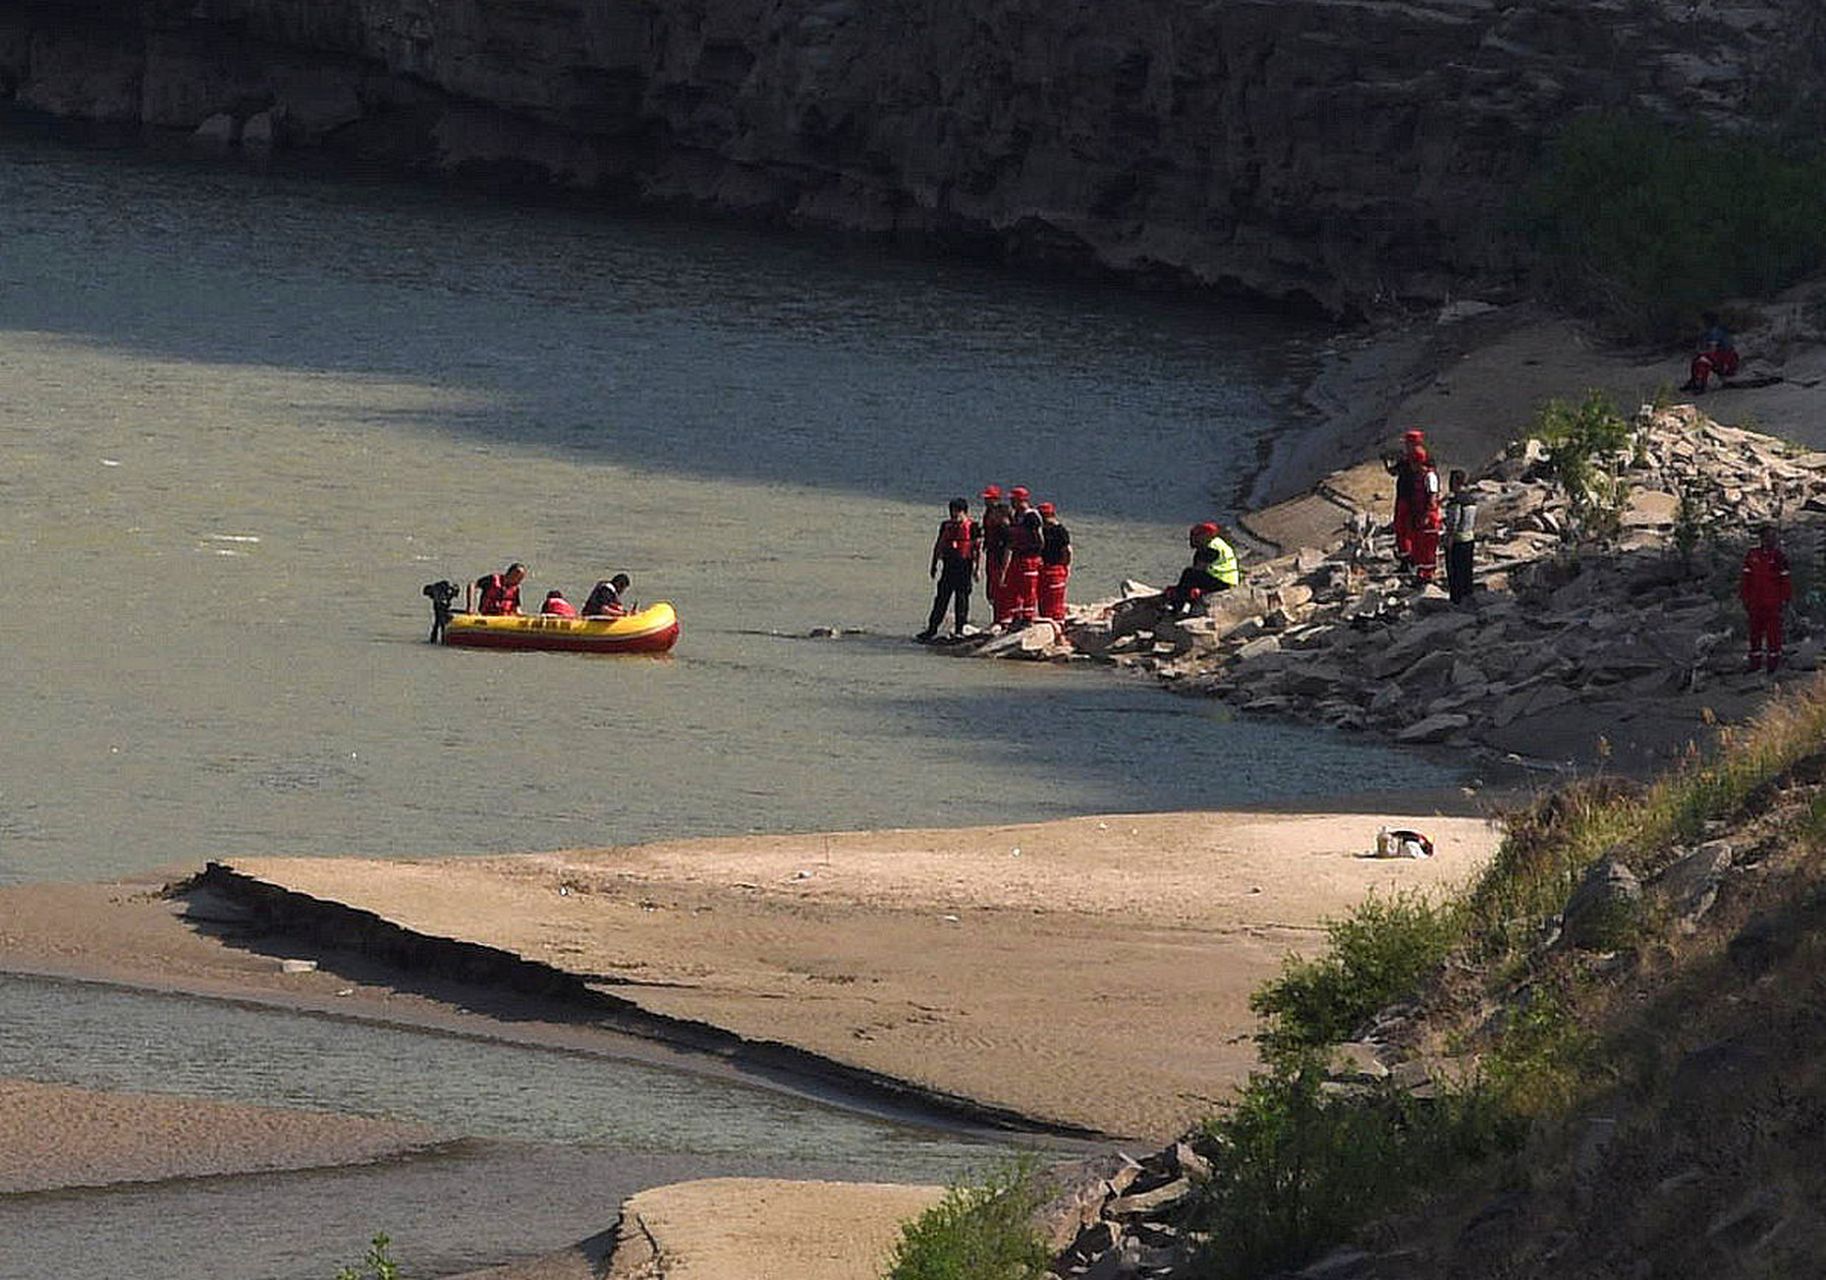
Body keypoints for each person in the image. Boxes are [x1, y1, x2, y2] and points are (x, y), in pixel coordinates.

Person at [918, 498, 977, 640]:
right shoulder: (946, 526)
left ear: (964, 512)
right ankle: (932, 629)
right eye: (952, 511)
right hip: (948, 566)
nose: (953, 515)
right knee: (941, 598)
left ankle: (960, 629)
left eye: (956, 512)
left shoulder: (973, 526)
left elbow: (976, 549)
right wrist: (933, 565)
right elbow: (939, 545)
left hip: (964, 566)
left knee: (961, 599)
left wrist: (976, 569)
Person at [1383, 430, 1441, 575]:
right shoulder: (1414, 459)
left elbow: (1432, 494)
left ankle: (1418, 567)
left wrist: (1428, 512)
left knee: (1414, 535)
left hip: (1413, 502)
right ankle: (1416, 565)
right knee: (1414, 535)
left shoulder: (1418, 462)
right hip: (1414, 502)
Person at [1741, 524, 1791, 671]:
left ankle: (1773, 665)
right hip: (1755, 601)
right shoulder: (1752, 555)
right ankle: (1754, 664)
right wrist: (1745, 598)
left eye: (1774, 537)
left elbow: (1785, 581)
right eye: (1768, 537)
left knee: (1773, 635)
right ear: (1761, 538)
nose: (1772, 540)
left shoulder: (1779, 557)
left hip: (1773, 602)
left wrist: (1785, 599)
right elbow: (1746, 579)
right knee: (1754, 633)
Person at [1162, 521, 1239, 614]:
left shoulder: (1212, 548)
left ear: (1204, 536)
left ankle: (1176, 606)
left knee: (1189, 574)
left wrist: (1180, 590)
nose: (1192, 539)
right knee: (1190, 577)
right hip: (1222, 579)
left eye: (1195, 536)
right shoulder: (1216, 543)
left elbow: (1199, 569)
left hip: (1222, 582)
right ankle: (1182, 600)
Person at [999, 485, 1045, 626]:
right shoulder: (1016, 516)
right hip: (1017, 556)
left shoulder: (1032, 516)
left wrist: (1038, 556)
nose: (1011, 502)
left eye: (1013, 499)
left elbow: (1040, 538)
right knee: (1013, 587)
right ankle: (1016, 616)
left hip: (1029, 557)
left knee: (1028, 588)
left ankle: (1028, 617)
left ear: (1021, 500)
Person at [1682, 312, 1740, 394]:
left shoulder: (1714, 332)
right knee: (1697, 360)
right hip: (1723, 356)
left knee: (1702, 361)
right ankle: (1695, 380)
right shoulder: (1709, 332)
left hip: (1726, 358)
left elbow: (1713, 349)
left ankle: (1702, 384)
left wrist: (1701, 353)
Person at [1442, 469, 1477, 604]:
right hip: (1469, 537)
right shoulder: (1471, 500)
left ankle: (1456, 599)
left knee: (1455, 571)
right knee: (1467, 569)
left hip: (1457, 540)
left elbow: (1454, 521)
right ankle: (1468, 595)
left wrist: (1448, 538)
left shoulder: (1455, 501)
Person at [979, 485, 1011, 622]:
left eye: (988, 498)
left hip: (1000, 553)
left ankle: (1002, 617)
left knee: (1000, 586)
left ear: (995, 498)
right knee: (991, 588)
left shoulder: (1003, 512)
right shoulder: (988, 512)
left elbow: (1007, 535)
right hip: (991, 552)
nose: (986, 501)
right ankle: (996, 617)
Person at [1037, 501, 1072, 622]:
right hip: (1043, 567)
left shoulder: (1060, 531)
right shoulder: (1041, 530)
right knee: (1043, 600)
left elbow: (1067, 551)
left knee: (1055, 601)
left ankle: (1058, 625)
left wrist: (1064, 567)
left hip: (1055, 567)